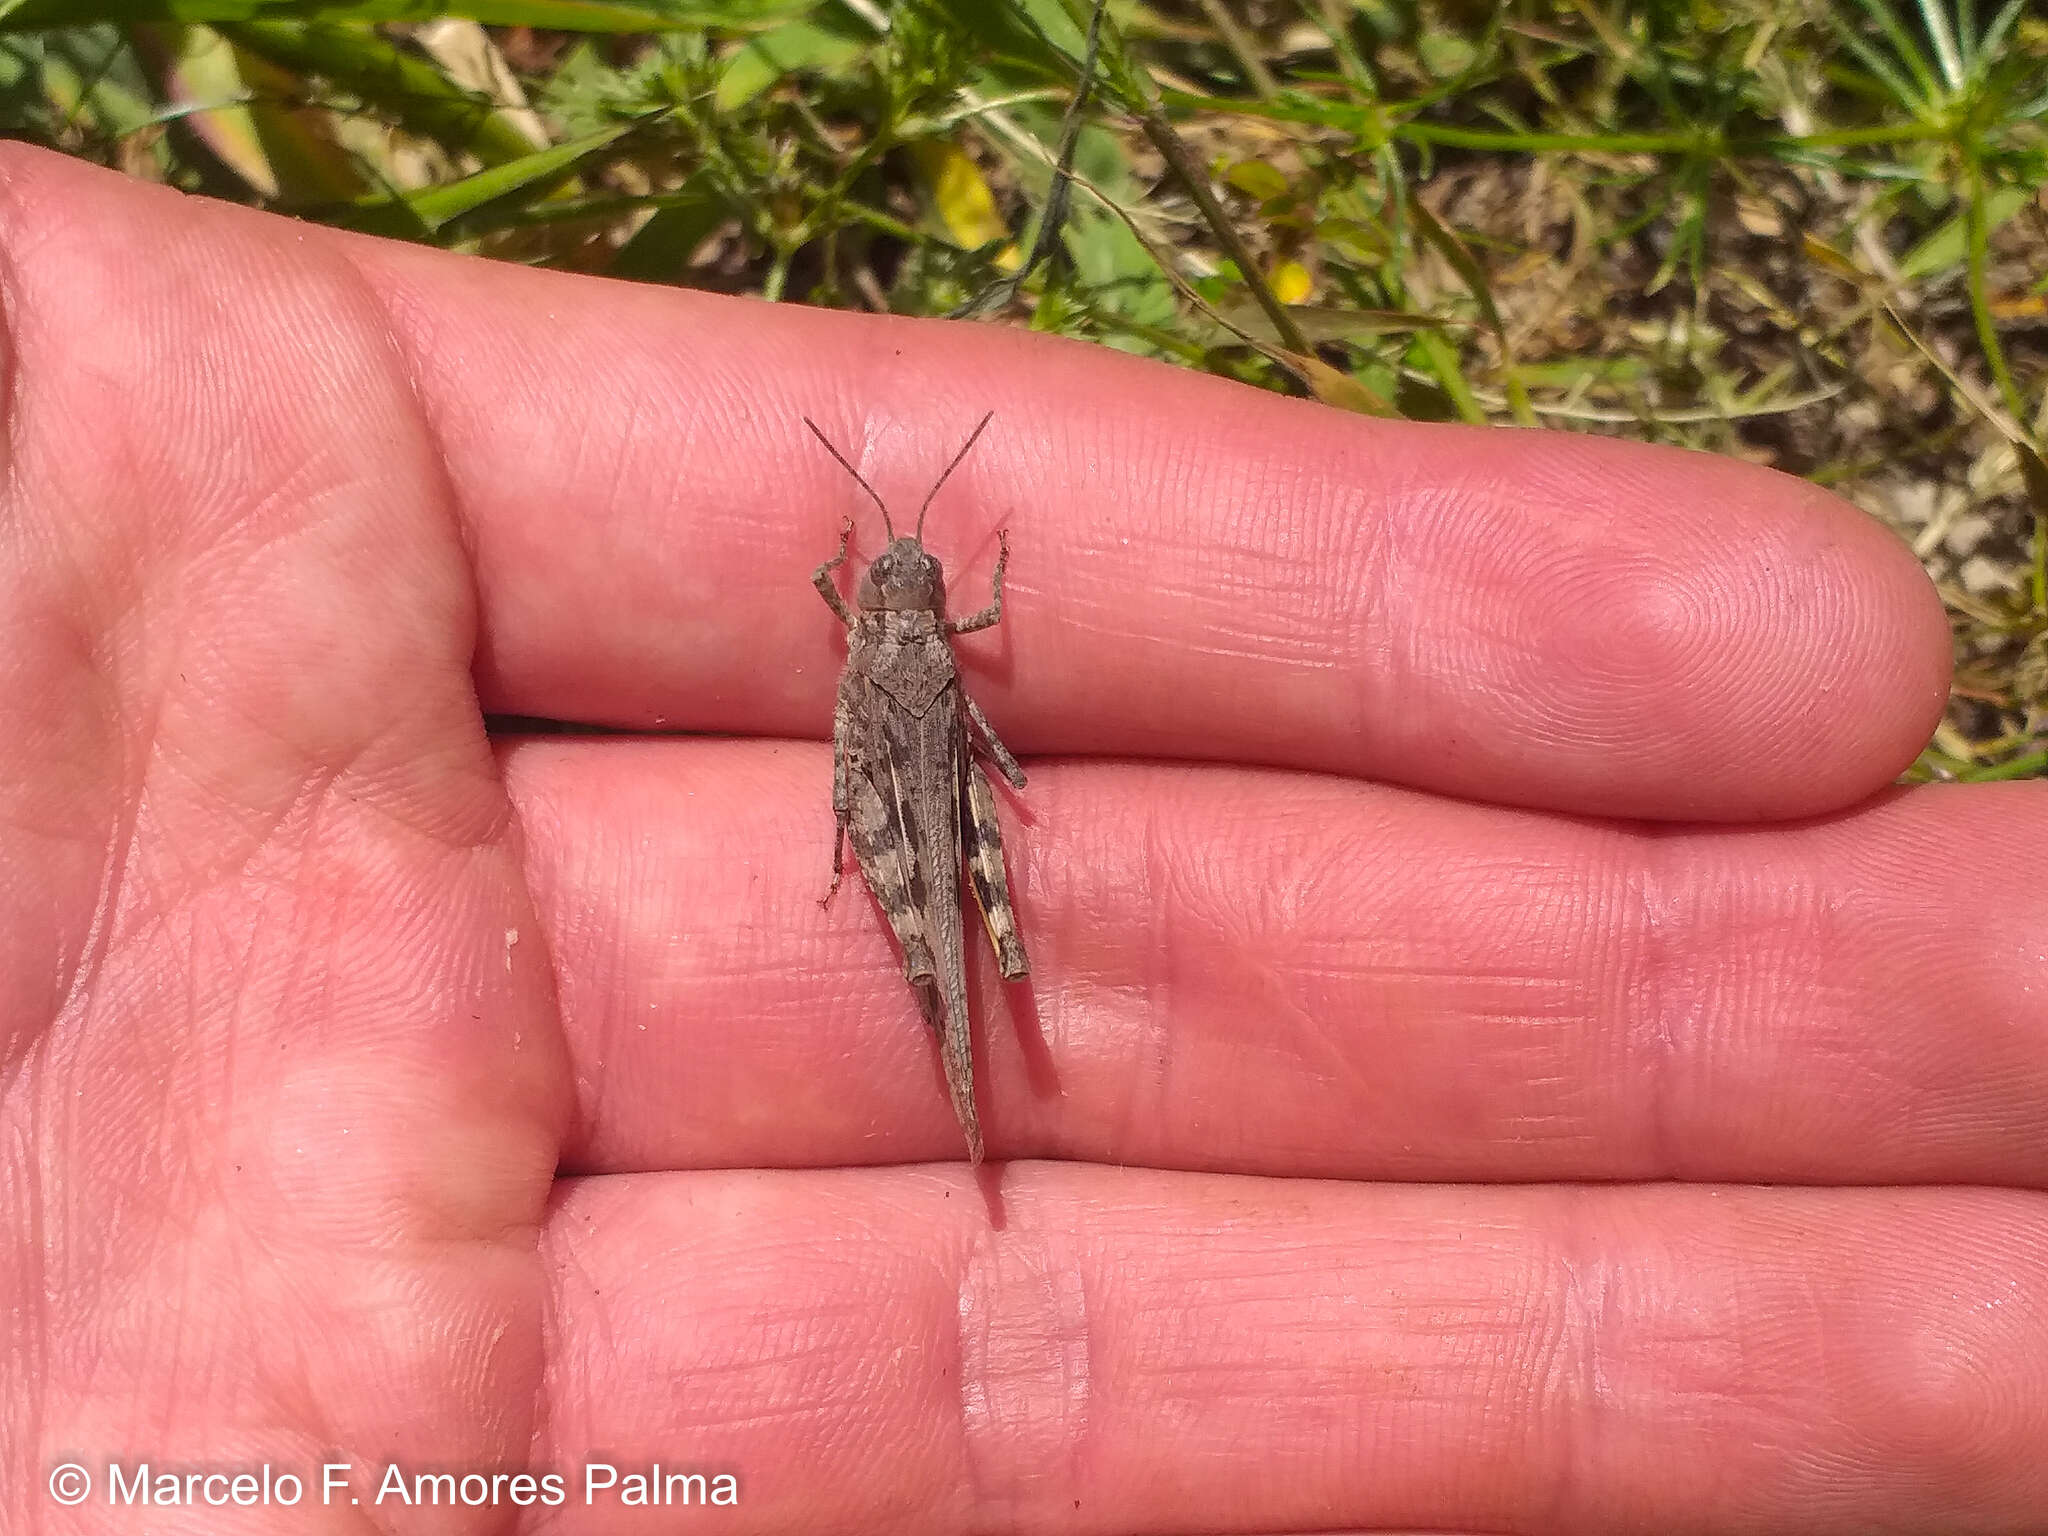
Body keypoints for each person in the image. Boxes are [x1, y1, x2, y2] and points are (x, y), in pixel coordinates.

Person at [3, 143, 2041, 1533]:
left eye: (896, 576)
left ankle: (986, 1062)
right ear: (887, 595)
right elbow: (886, 716)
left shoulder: (909, 631)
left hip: (937, 791)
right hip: (899, 805)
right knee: (924, 895)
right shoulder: (889, 629)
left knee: (974, 892)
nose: (897, 590)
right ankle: (968, 1065)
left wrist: (945, 785)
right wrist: (892, 805)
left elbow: (936, 685)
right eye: (888, 578)